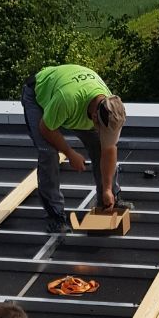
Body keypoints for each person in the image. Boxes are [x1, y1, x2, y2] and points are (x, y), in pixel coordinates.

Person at [21, 64, 127, 235]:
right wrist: (70, 153)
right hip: (39, 96)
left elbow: (109, 149)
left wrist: (107, 188)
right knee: (49, 153)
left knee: (99, 146)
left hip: (71, 102)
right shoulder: (67, 100)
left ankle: (109, 199)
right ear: (94, 118)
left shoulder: (111, 108)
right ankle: (55, 216)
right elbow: (46, 129)